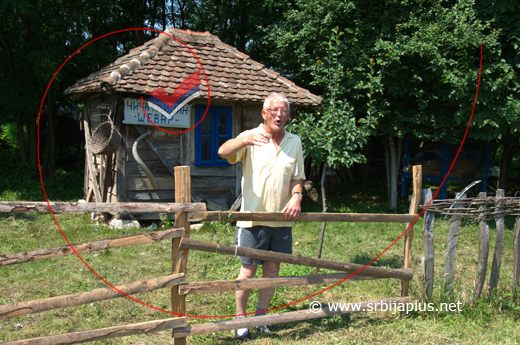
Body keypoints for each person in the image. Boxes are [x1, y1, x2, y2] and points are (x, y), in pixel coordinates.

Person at [218, 92, 305, 340]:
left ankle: (261, 318)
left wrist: (297, 196)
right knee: (247, 272)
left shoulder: (294, 141)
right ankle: (240, 321)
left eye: (284, 111)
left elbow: (297, 177)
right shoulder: (251, 137)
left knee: (273, 270)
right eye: (275, 110)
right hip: (252, 219)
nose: (279, 114)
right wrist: (244, 141)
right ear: (264, 113)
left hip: (281, 220)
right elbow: (223, 151)